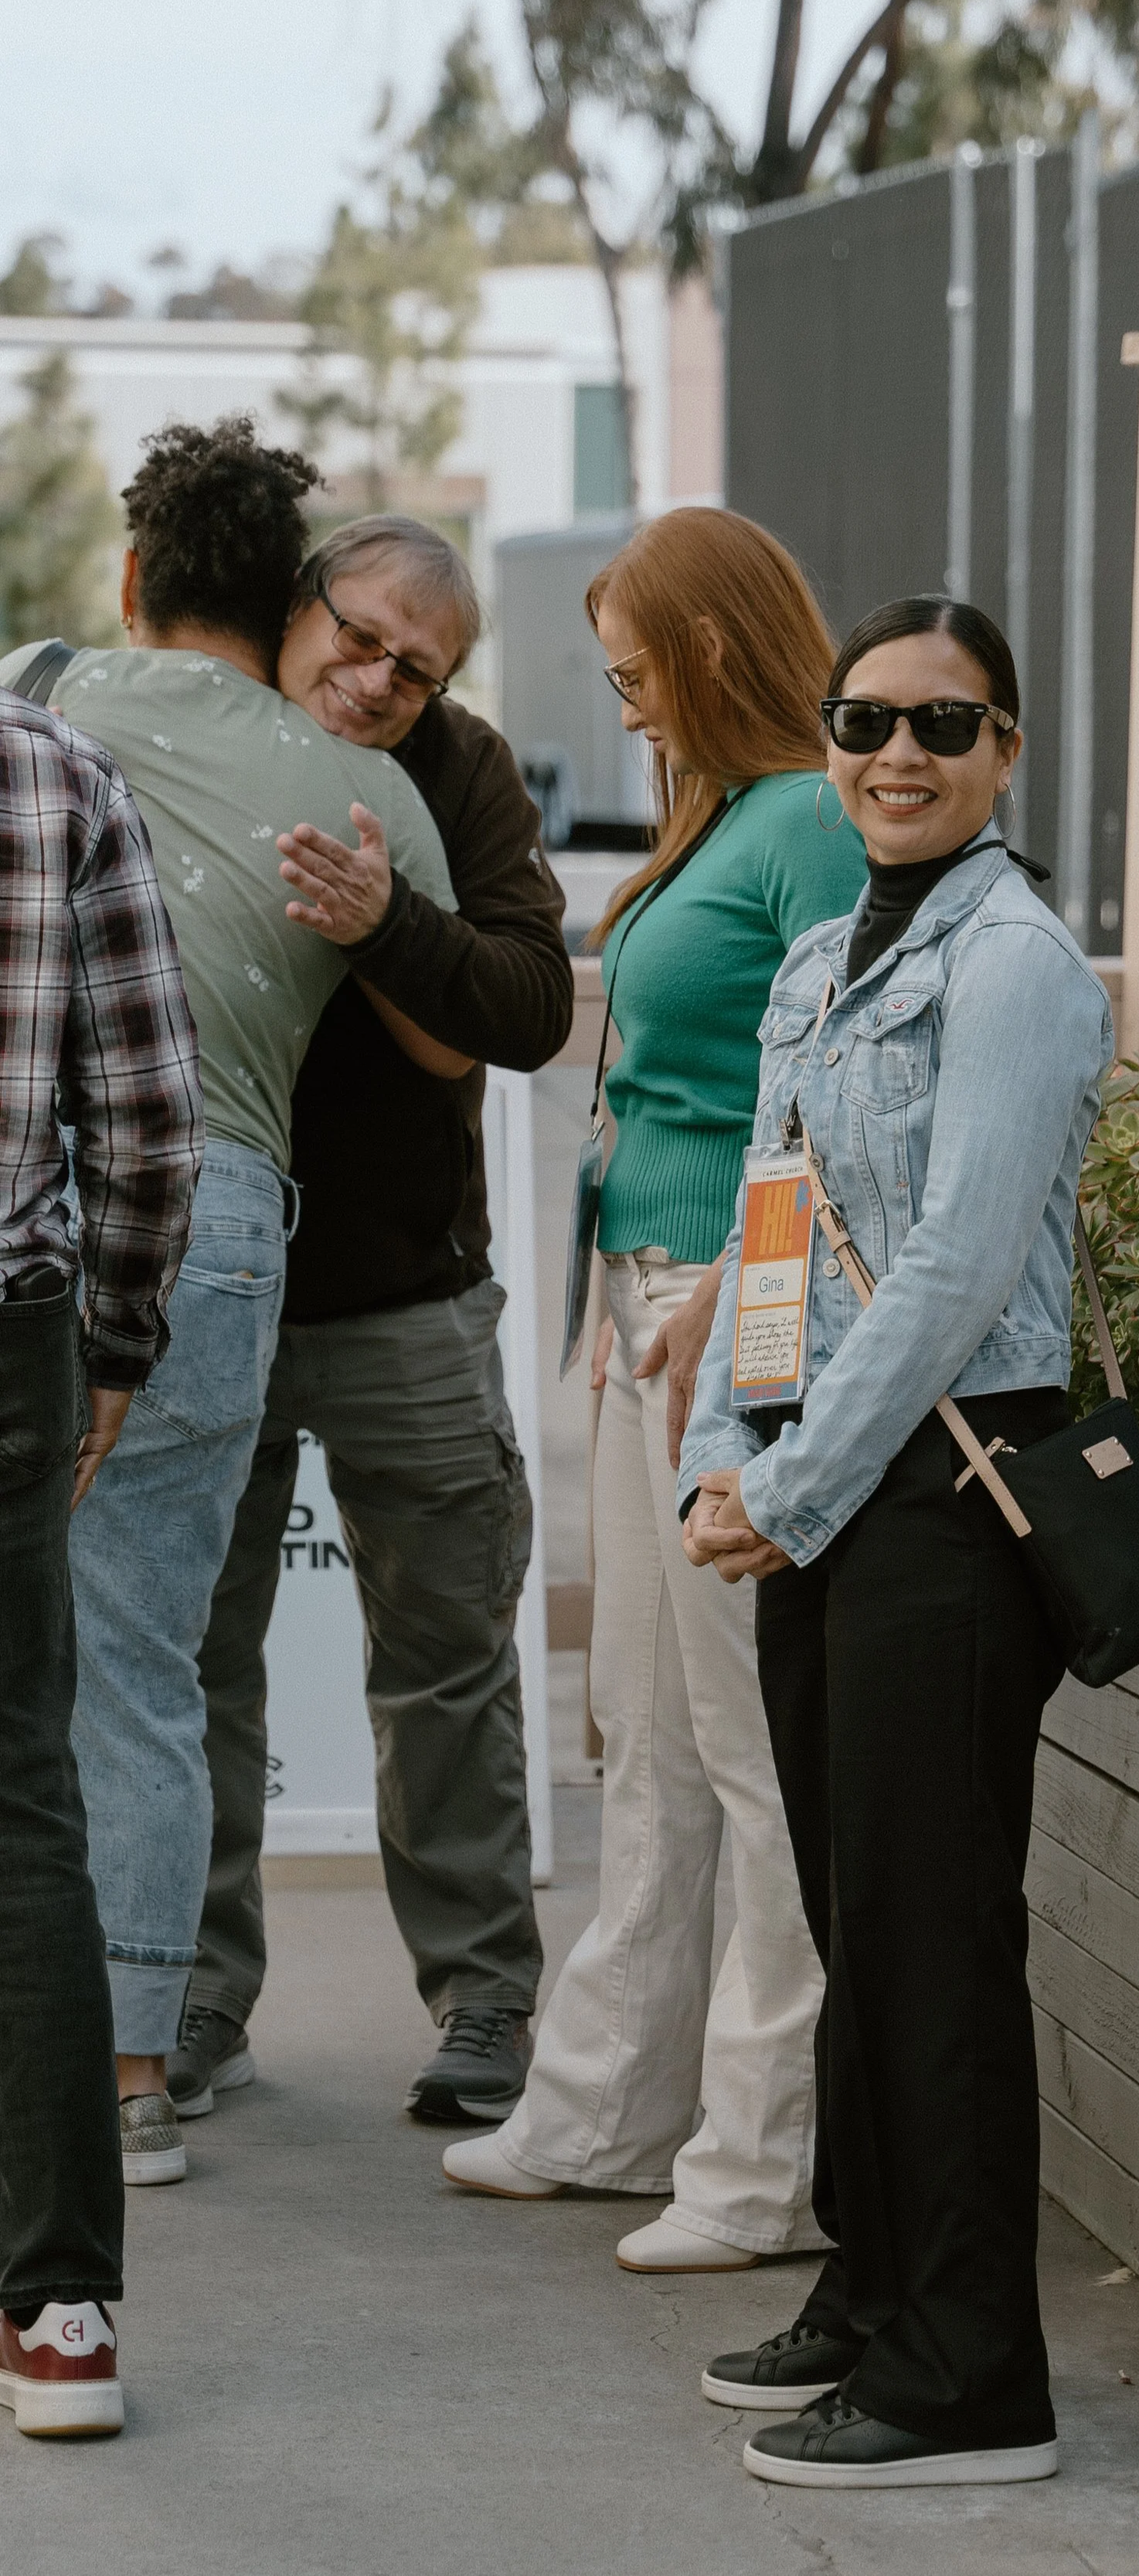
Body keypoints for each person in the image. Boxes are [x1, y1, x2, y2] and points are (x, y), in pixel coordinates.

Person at [678, 597, 1111, 2487]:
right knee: (855, 1913)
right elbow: (769, 1219)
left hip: (948, 1485)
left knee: (933, 1938)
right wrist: (724, 1446)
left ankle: (967, 2378)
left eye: (944, 723)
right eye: (865, 722)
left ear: (1004, 747)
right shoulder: (824, 954)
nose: (898, 756)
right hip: (825, 1484)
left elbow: (952, 1270)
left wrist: (786, 1492)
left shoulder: (1015, 966)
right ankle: (872, 2291)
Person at [0, 417, 458, 2191]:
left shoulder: (35, 697)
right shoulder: (368, 795)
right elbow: (448, 1027)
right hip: (219, 1217)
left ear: (131, 576)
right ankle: (132, 2070)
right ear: (286, 609)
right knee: (142, 1662)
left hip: (23, 1197)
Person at [440, 507, 867, 2276]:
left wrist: (744, 1299)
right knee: (642, 1718)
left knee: (746, 1744)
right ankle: (611, 2106)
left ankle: (762, 2165)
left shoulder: (806, 824)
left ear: (704, 648)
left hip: (731, 1309)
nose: (618, 706)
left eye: (631, 673)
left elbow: (840, 1100)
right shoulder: (725, 814)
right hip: (649, 1299)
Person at [176, 516, 571, 2132]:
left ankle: (482, 1999)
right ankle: (191, 1996)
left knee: (445, 1661)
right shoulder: (185, 730)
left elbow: (527, 1007)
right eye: (358, 635)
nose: (378, 679)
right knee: (196, 1659)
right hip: (203, 1287)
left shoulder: (462, 775)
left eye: (418, 667)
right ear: (298, 608)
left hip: (406, 1289)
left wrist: (383, 922)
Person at [0, 688, 200, 2437]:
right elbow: (143, 1111)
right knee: (19, 1802)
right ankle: (57, 2310)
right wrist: (116, 1337)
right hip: (3, 1337)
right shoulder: (52, 771)